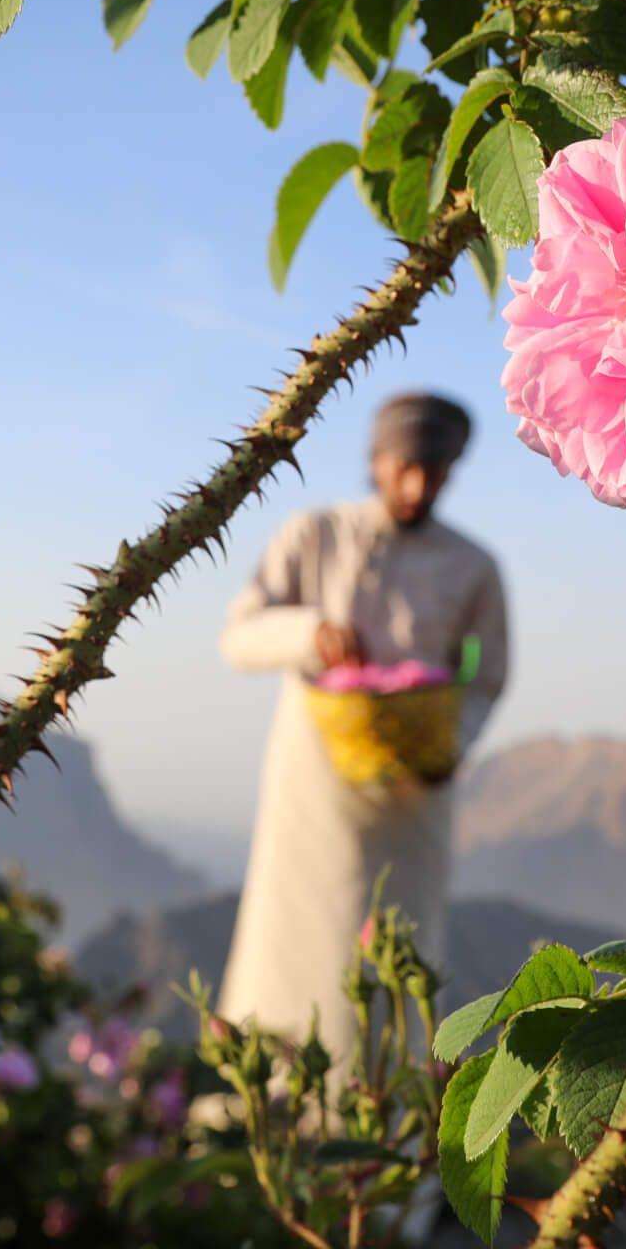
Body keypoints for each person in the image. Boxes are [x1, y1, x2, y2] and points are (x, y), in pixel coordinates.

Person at [216, 391, 509, 1056]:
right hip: (312, 787)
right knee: (291, 952)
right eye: (403, 467)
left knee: (398, 961)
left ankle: (391, 1117)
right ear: (375, 461)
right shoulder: (313, 535)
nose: (415, 486)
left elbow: (487, 673)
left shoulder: (473, 567)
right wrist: (310, 634)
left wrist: (451, 743)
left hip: (415, 796)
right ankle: (269, 1099)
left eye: (431, 473)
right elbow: (238, 638)